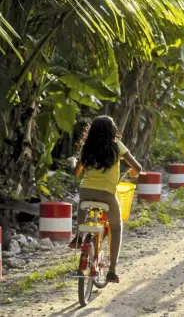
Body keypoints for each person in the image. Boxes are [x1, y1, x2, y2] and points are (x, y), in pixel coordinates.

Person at [69, 116, 142, 283]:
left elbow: (76, 173)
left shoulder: (86, 147)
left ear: (92, 131)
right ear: (113, 131)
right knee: (116, 227)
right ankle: (112, 270)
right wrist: (132, 172)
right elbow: (137, 167)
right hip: (107, 195)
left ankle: (79, 237)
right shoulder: (117, 146)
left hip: (86, 192)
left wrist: (73, 162)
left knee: (83, 204)